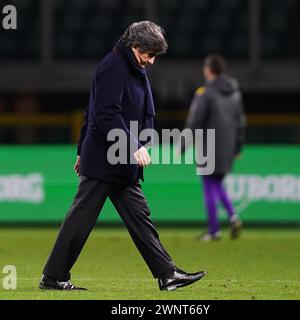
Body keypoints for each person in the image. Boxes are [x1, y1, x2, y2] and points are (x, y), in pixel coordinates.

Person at [39, 21, 205, 291]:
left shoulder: (131, 65)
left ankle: (167, 274)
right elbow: (103, 114)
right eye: (148, 54)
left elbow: (91, 110)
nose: (151, 61)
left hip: (119, 161)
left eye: (154, 56)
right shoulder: (113, 68)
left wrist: (84, 150)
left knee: (141, 220)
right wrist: (132, 146)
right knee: (80, 220)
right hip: (107, 160)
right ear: (135, 46)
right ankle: (54, 277)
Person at [181, 54, 246, 241]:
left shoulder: (206, 92)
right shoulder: (234, 92)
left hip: (208, 146)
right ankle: (233, 216)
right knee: (217, 183)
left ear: (208, 70)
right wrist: (238, 147)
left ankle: (214, 230)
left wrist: (185, 142)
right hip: (228, 145)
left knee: (209, 186)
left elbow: (196, 120)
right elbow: (241, 121)